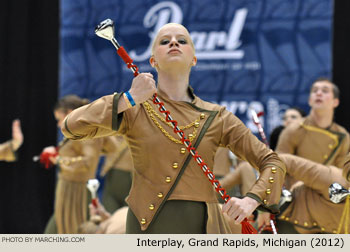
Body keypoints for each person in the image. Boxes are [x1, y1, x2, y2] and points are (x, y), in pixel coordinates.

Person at [61, 23, 286, 234]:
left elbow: (273, 162)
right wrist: (128, 98)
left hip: (203, 227)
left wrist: (251, 200)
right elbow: (71, 126)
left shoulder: (217, 117)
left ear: (194, 59)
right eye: (164, 41)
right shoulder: (135, 107)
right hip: (145, 225)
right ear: (153, 60)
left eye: (182, 40)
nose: (173, 43)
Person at [43, 95, 119, 234]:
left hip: (76, 192)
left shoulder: (84, 131)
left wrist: (59, 159)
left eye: (59, 119)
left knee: (69, 233)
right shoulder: (82, 130)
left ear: (69, 112)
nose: (58, 124)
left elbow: (87, 162)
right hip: (70, 189)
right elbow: (108, 148)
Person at [276, 78, 350, 190]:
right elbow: (277, 166)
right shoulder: (293, 129)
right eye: (315, 91)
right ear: (310, 100)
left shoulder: (343, 135)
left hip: (327, 195)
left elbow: (342, 174)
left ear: (335, 102)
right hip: (297, 195)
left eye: (325, 91)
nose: (319, 93)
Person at [100, 135, 133, 213]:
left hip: (128, 175)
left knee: (124, 209)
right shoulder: (112, 136)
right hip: (113, 173)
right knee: (111, 206)